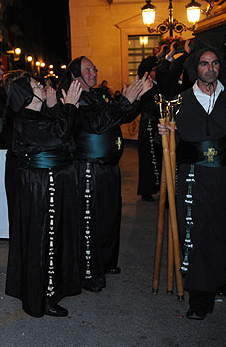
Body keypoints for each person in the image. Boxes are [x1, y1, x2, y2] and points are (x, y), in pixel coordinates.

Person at [158, 47, 226, 319]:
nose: (209, 68)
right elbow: (167, 146)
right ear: (195, 69)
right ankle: (200, 298)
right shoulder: (179, 103)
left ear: (220, 67)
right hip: (194, 177)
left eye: (214, 63)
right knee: (198, 233)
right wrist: (164, 132)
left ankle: (217, 275)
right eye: (203, 64)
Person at [61, 57, 151, 293]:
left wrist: (137, 97)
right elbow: (98, 124)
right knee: (91, 221)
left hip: (108, 168)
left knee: (110, 218)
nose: (93, 72)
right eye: (88, 69)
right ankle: (89, 273)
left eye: (94, 68)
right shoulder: (74, 97)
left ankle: (107, 262)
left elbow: (120, 116)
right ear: (74, 75)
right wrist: (125, 101)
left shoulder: (97, 95)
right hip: (89, 167)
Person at [5, 73, 83, 317]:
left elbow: (68, 140)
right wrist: (68, 107)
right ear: (26, 94)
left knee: (56, 237)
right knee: (44, 239)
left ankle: (52, 289)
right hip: (40, 186)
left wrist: (60, 110)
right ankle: (41, 296)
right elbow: (58, 135)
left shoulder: (40, 116)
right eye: (36, 85)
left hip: (53, 183)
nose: (43, 86)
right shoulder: (23, 119)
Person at [136, 47, 165, 202]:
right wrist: (157, 56)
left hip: (159, 124)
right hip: (148, 125)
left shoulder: (160, 84)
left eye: (156, 69)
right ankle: (147, 190)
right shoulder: (144, 83)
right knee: (148, 158)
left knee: (161, 157)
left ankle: (163, 189)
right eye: (152, 69)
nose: (155, 72)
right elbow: (143, 68)